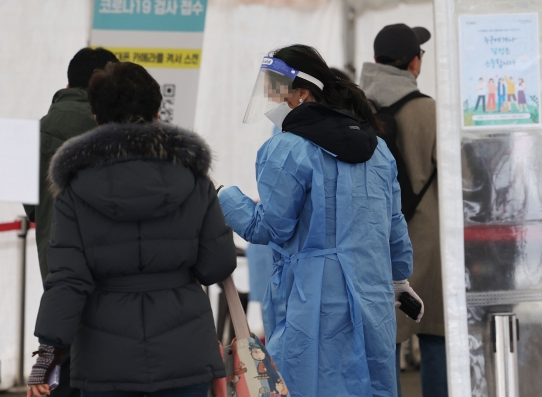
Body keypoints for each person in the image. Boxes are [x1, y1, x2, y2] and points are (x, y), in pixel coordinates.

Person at [212, 44, 422, 396]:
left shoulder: (287, 149)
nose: (272, 104)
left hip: (314, 300)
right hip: (373, 296)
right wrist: (399, 279)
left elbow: (268, 227)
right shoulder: (377, 149)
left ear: (302, 94)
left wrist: (222, 197)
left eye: (276, 95)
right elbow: (393, 224)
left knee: (310, 383)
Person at [26, 62, 237, 397]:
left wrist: (46, 358)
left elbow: (66, 280)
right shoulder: (194, 179)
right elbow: (218, 264)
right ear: (157, 112)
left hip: (105, 362)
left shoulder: (74, 190)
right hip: (185, 354)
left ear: (96, 118)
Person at [23, 46, 117, 397]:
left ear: (68, 80)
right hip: (109, 270)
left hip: (55, 262)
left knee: (62, 358)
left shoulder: (40, 129)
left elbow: (32, 208)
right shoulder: (110, 128)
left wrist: (42, 362)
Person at [359, 24, 446, 397]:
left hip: (373, 241)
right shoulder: (429, 111)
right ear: (414, 64)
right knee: (436, 336)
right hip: (427, 242)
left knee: (383, 342)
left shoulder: (356, 108)